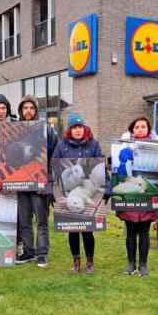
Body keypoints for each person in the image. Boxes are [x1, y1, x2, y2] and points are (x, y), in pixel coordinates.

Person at [53, 113, 104, 273]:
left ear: (84, 128)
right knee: (72, 228)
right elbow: (54, 167)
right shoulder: (62, 146)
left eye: (80, 127)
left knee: (87, 229)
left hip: (88, 186)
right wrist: (53, 190)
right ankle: (76, 261)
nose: (77, 130)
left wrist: (104, 187)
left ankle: (90, 261)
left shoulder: (93, 144)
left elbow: (101, 165)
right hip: (69, 189)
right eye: (74, 127)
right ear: (70, 130)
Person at [15, 95, 58, 268]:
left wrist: (49, 179)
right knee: (24, 220)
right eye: (25, 108)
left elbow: (55, 155)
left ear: (36, 111)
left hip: (40, 182)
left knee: (41, 220)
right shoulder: (15, 129)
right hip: (21, 182)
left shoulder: (46, 130)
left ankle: (42, 253)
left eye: (32, 108)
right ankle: (28, 251)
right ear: (21, 110)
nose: (28, 111)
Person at [116, 117, 158, 276]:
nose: (140, 129)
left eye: (143, 127)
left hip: (146, 195)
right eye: (137, 127)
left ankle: (143, 264)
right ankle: (130, 263)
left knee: (144, 232)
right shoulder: (123, 146)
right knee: (130, 231)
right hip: (130, 195)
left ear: (148, 129)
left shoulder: (156, 148)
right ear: (132, 130)